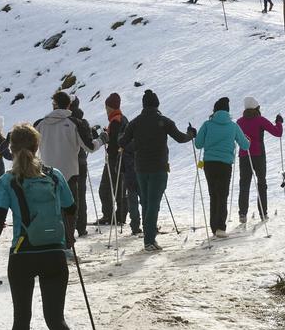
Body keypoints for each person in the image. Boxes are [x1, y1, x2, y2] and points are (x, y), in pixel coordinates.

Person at [0, 123, 78, 330]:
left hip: (22, 253)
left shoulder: (7, 181)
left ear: (11, 150)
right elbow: (71, 208)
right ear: (37, 147)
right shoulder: (54, 176)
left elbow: (0, 216)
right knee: (55, 317)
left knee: (21, 316)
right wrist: (68, 236)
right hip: (54, 252)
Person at [119, 90, 195, 251]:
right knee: (153, 203)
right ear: (157, 104)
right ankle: (149, 240)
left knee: (146, 202)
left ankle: (149, 236)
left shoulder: (135, 122)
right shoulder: (164, 121)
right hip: (159, 168)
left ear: (144, 105)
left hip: (140, 168)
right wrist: (191, 134)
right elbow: (180, 138)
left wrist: (136, 146)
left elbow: (123, 142)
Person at [34, 92, 106, 244]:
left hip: (46, 174)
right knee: (70, 210)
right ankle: (67, 244)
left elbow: (30, 149)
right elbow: (89, 147)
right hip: (69, 174)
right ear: (68, 105)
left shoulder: (40, 124)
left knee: (52, 210)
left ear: (53, 104)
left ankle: (54, 243)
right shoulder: (74, 123)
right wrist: (102, 139)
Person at [195, 98, 250, 237]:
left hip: (209, 164)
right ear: (227, 111)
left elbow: (198, 144)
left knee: (213, 195)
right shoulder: (233, 126)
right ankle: (221, 227)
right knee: (222, 195)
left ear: (215, 110)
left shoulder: (207, 125)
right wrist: (248, 140)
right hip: (225, 164)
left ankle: (214, 227)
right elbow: (244, 145)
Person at [236, 97, 283, 223]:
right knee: (261, 183)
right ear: (256, 108)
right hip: (259, 155)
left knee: (244, 184)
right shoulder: (260, 120)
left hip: (244, 155)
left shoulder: (239, 122)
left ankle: (242, 214)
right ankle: (263, 212)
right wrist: (279, 122)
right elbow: (277, 133)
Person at [98, 93, 130, 227]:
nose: (106, 110)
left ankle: (109, 216)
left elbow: (115, 141)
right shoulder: (122, 118)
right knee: (120, 189)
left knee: (105, 189)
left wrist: (106, 139)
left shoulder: (115, 121)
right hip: (123, 158)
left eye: (107, 107)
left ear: (110, 107)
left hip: (114, 159)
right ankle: (120, 215)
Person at [68, 97, 93, 236]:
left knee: (68, 194)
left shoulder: (67, 121)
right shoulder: (83, 121)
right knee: (81, 194)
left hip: (68, 161)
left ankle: (69, 224)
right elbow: (88, 140)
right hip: (82, 161)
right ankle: (81, 227)